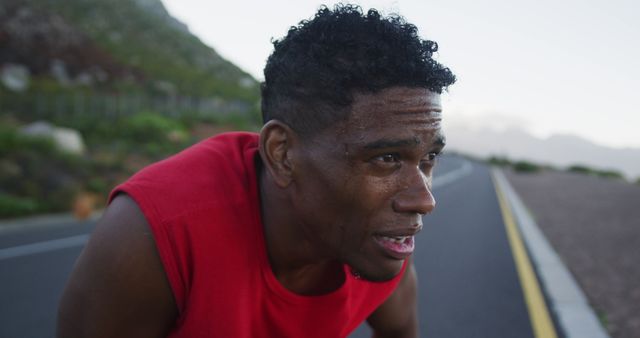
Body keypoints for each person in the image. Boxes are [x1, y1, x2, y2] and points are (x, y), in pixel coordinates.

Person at [57, 4, 456, 338]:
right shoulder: (154, 233)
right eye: (386, 158)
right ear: (282, 154)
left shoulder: (376, 241)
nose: (423, 200)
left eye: (427, 159)